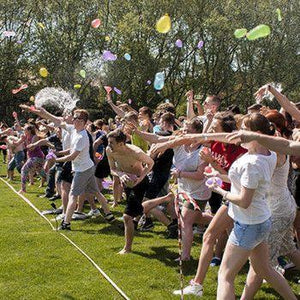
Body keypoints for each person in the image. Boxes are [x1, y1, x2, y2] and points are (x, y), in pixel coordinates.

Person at [106, 129, 154, 254]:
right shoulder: (109, 151)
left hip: (140, 183)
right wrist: (120, 174)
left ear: (121, 144)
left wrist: (141, 177)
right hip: (127, 183)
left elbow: (150, 163)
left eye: (111, 142)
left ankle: (127, 249)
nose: (108, 145)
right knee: (138, 210)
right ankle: (165, 200)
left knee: (127, 216)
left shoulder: (136, 152)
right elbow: (112, 169)